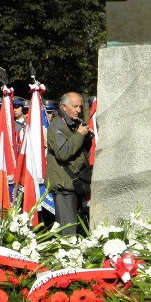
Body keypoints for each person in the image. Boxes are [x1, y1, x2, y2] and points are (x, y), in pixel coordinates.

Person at [46, 91, 93, 235]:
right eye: (75, 106)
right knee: (68, 233)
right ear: (64, 107)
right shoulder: (57, 125)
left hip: (76, 185)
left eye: (80, 106)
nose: (79, 110)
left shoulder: (73, 124)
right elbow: (63, 153)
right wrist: (79, 134)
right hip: (64, 187)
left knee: (77, 230)